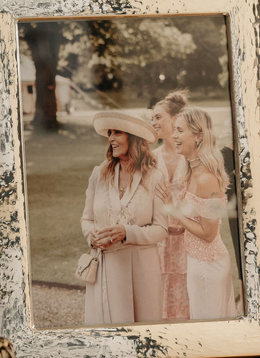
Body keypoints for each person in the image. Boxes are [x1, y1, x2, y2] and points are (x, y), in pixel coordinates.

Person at [81, 110, 168, 325]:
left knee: (143, 335)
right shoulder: (98, 174)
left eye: (117, 132)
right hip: (105, 268)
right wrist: (92, 237)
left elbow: (161, 229)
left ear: (134, 137)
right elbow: (86, 219)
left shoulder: (155, 177)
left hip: (141, 270)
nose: (110, 138)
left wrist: (126, 233)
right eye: (110, 133)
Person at [163, 107, 237, 321]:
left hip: (209, 267)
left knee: (210, 331)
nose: (173, 136)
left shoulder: (206, 179)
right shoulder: (191, 170)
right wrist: (176, 228)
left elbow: (208, 233)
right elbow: (198, 222)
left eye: (179, 131)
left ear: (198, 136)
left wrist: (174, 211)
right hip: (197, 262)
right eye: (174, 130)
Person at [151, 91, 190, 321]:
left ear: (175, 119)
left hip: (190, 239)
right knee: (160, 292)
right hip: (160, 240)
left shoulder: (193, 156)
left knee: (188, 291)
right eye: (152, 119)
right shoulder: (151, 158)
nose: (154, 123)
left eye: (158, 117)